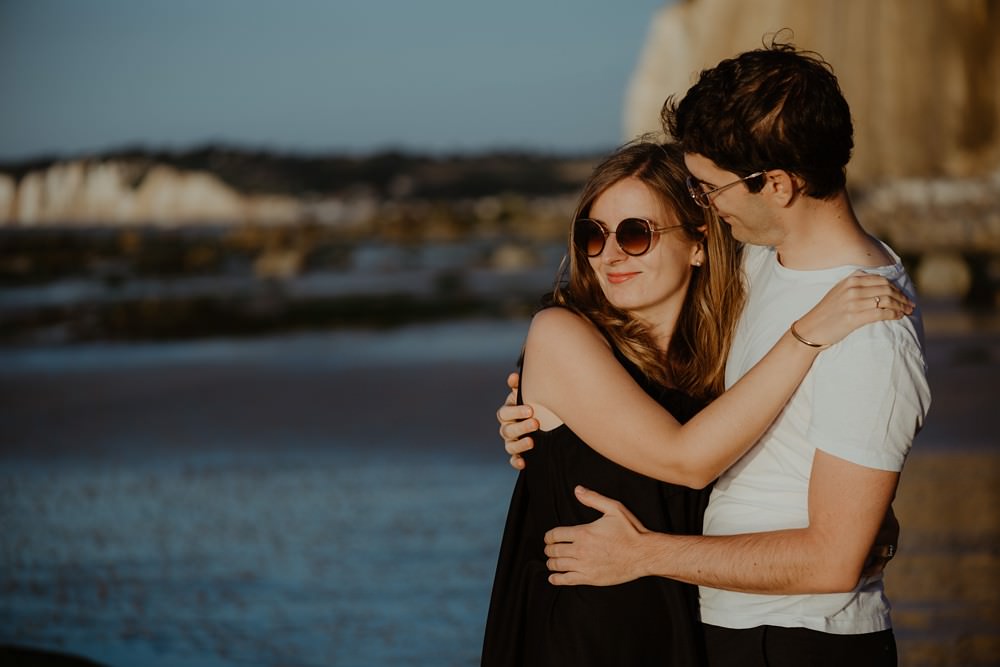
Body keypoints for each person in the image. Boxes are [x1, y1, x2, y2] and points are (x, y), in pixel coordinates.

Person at [497, 41, 931, 667]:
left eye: (709, 189)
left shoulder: (865, 320)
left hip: (793, 639)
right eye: (593, 234)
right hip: (675, 626)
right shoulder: (763, 269)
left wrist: (646, 553)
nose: (609, 252)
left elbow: (834, 557)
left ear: (776, 184)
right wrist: (529, 411)